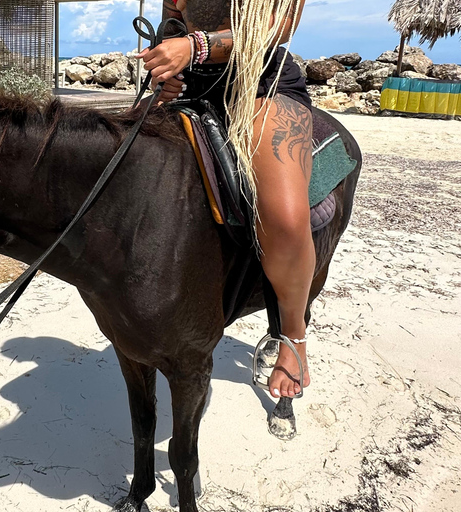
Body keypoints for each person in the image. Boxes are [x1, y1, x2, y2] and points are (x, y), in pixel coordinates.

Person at [136, 0, 313, 398]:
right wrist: (167, 69)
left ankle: (294, 338)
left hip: (260, 86)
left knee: (284, 220)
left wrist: (194, 47)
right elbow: (171, 25)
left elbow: (278, 29)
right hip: (191, 88)